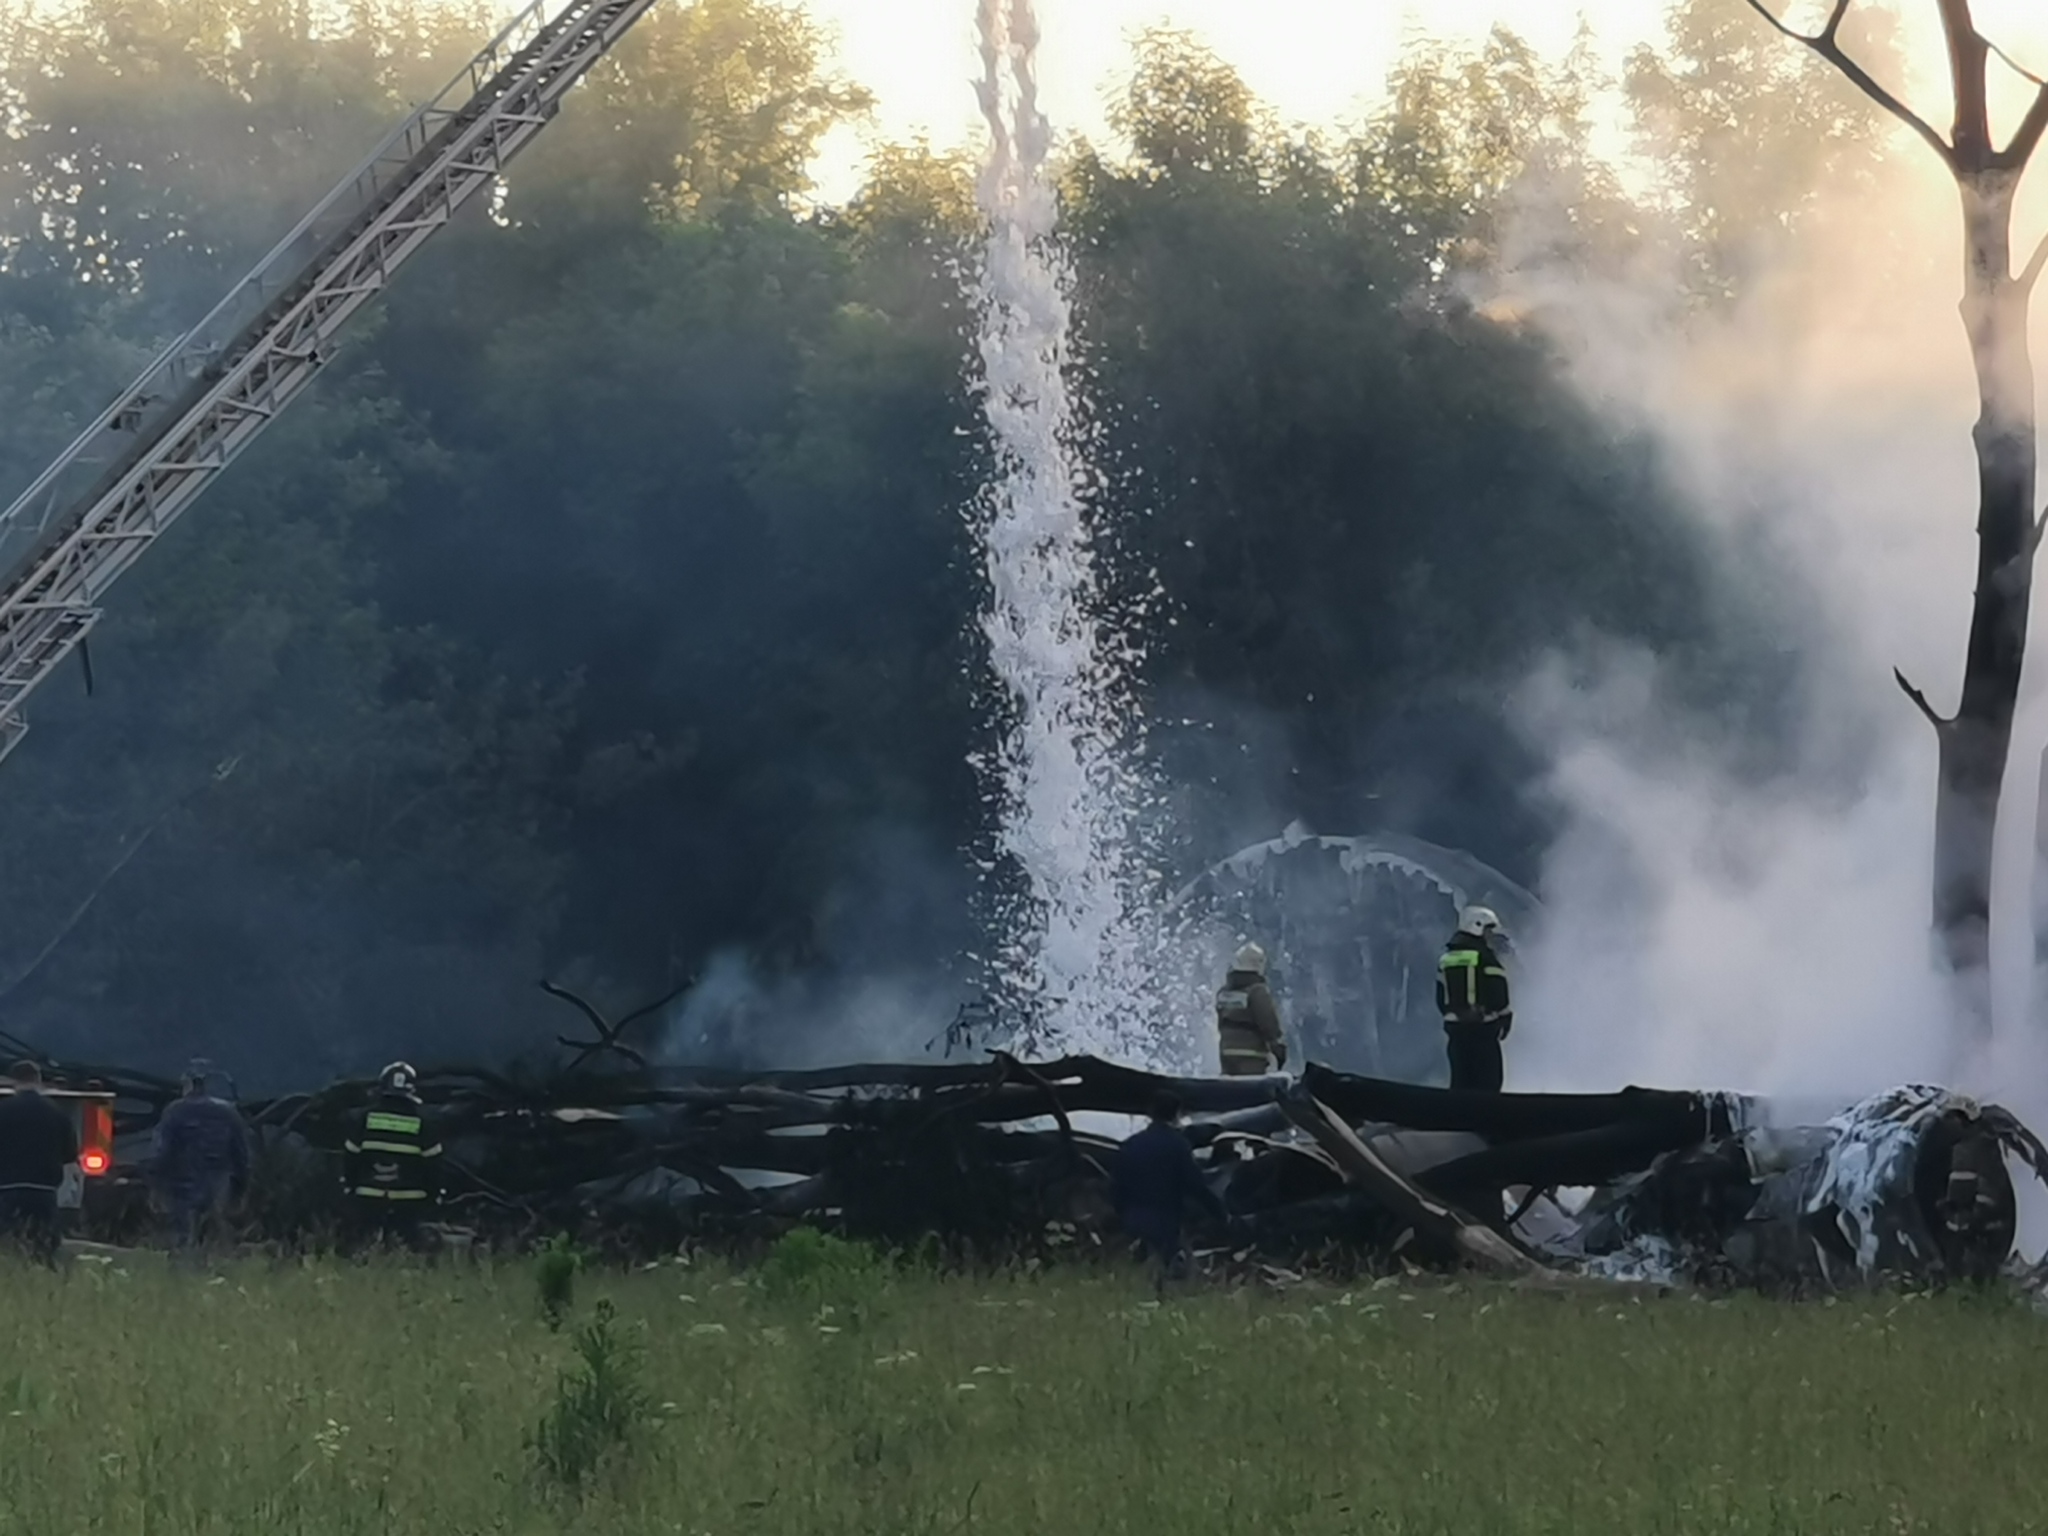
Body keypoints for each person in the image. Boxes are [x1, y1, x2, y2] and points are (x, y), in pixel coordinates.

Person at [1110, 1091, 1228, 1293]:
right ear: (1177, 1115)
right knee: (1178, 1276)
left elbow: (1116, 1186)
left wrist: (1121, 1214)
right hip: (1165, 1222)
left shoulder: (1130, 1144)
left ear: (1150, 1113)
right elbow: (1196, 1186)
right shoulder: (1178, 1145)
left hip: (1132, 1219)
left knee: (1138, 1275)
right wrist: (1220, 1213)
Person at [150, 1059, 251, 1257]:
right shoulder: (228, 1112)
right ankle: (214, 1267)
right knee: (216, 1232)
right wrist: (240, 1190)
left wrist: (156, 1187)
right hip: (219, 1182)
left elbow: (161, 1152)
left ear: (187, 1084)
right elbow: (241, 1156)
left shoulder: (175, 1111)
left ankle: (185, 1270)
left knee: (183, 1236)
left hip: (182, 1183)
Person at [343, 1061, 443, 1251]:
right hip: (409, 1199)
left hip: (369, 1196)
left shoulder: (365, 1119)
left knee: (365, 1248)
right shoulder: (422, 1124)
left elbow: (351, 1156)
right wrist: (434, 1194)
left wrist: (350, 1184)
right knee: (406, 1249)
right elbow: (434, 1165)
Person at [0, 1060, 77, 1264]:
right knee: (44, 1244)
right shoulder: (57, 1114)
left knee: (9, 1242)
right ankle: (43, 1274)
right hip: (44, 1190)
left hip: (8, 1188)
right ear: (39, 1080)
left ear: (12, 1082)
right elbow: (69, 1155)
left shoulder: (3, 1111)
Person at [1437, 905, 1513, 1092]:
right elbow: (1498, 995)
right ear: (1476, 926)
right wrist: (1505, 1017)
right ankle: (1486, 1117)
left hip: (1456, 1032)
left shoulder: (1446, 959)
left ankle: (1458, 1117)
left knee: (1462, 1082)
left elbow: (1440, 997)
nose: (1490, 936)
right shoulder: (1486, 959)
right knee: (1489, 1082)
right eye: (1488, 930)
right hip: (1483, 1031)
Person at [1215, 942, 1287, 1076]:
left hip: (1226, 1053)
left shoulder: (1223, 993)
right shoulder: (1257, 991)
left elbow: (1221, 1022)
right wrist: (1278, 1048)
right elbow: (1268, 1023)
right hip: (1251, 1056)